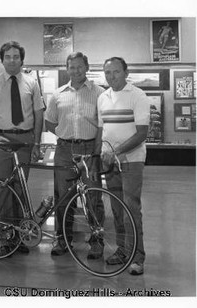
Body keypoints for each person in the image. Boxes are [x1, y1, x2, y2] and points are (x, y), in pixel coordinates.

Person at [0, 41, 44, 255]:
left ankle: (18, 235)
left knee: (20, 188)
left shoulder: (31, 83)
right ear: (2, 59)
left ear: (22, 59)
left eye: (16, 56)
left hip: (24, 141)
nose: (12, 60)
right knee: (1, 188)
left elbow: (38, 114)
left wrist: (35, 142)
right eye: (8, 56)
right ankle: (3, 238)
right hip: (0, 140)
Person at [92, 57, 150, 275]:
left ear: (126, 72)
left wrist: (116, 152)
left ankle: (138, 257)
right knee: (116, 209)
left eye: (116, 72)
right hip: (109, 161)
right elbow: (101, 130)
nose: (111, 76)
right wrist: (98, 156)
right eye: (107, 73)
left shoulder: (138, 96)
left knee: (131, 208)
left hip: (131, 160)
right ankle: (123, 250)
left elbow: (142, 133)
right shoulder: (103, 98)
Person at [44, 52, 105, 257]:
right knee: (63, 196)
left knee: (93, 197)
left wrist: (95, 150)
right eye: (72, 67)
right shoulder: (58, 94)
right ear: (67, 69)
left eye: (80, 66)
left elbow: (103, 126)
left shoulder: (99, 93)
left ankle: (96, 241)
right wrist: (66, 135)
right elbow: (50, 122)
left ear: (87, 67)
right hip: (64, 150)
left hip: (90, 150)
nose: (76, 70)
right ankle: (62, 240)